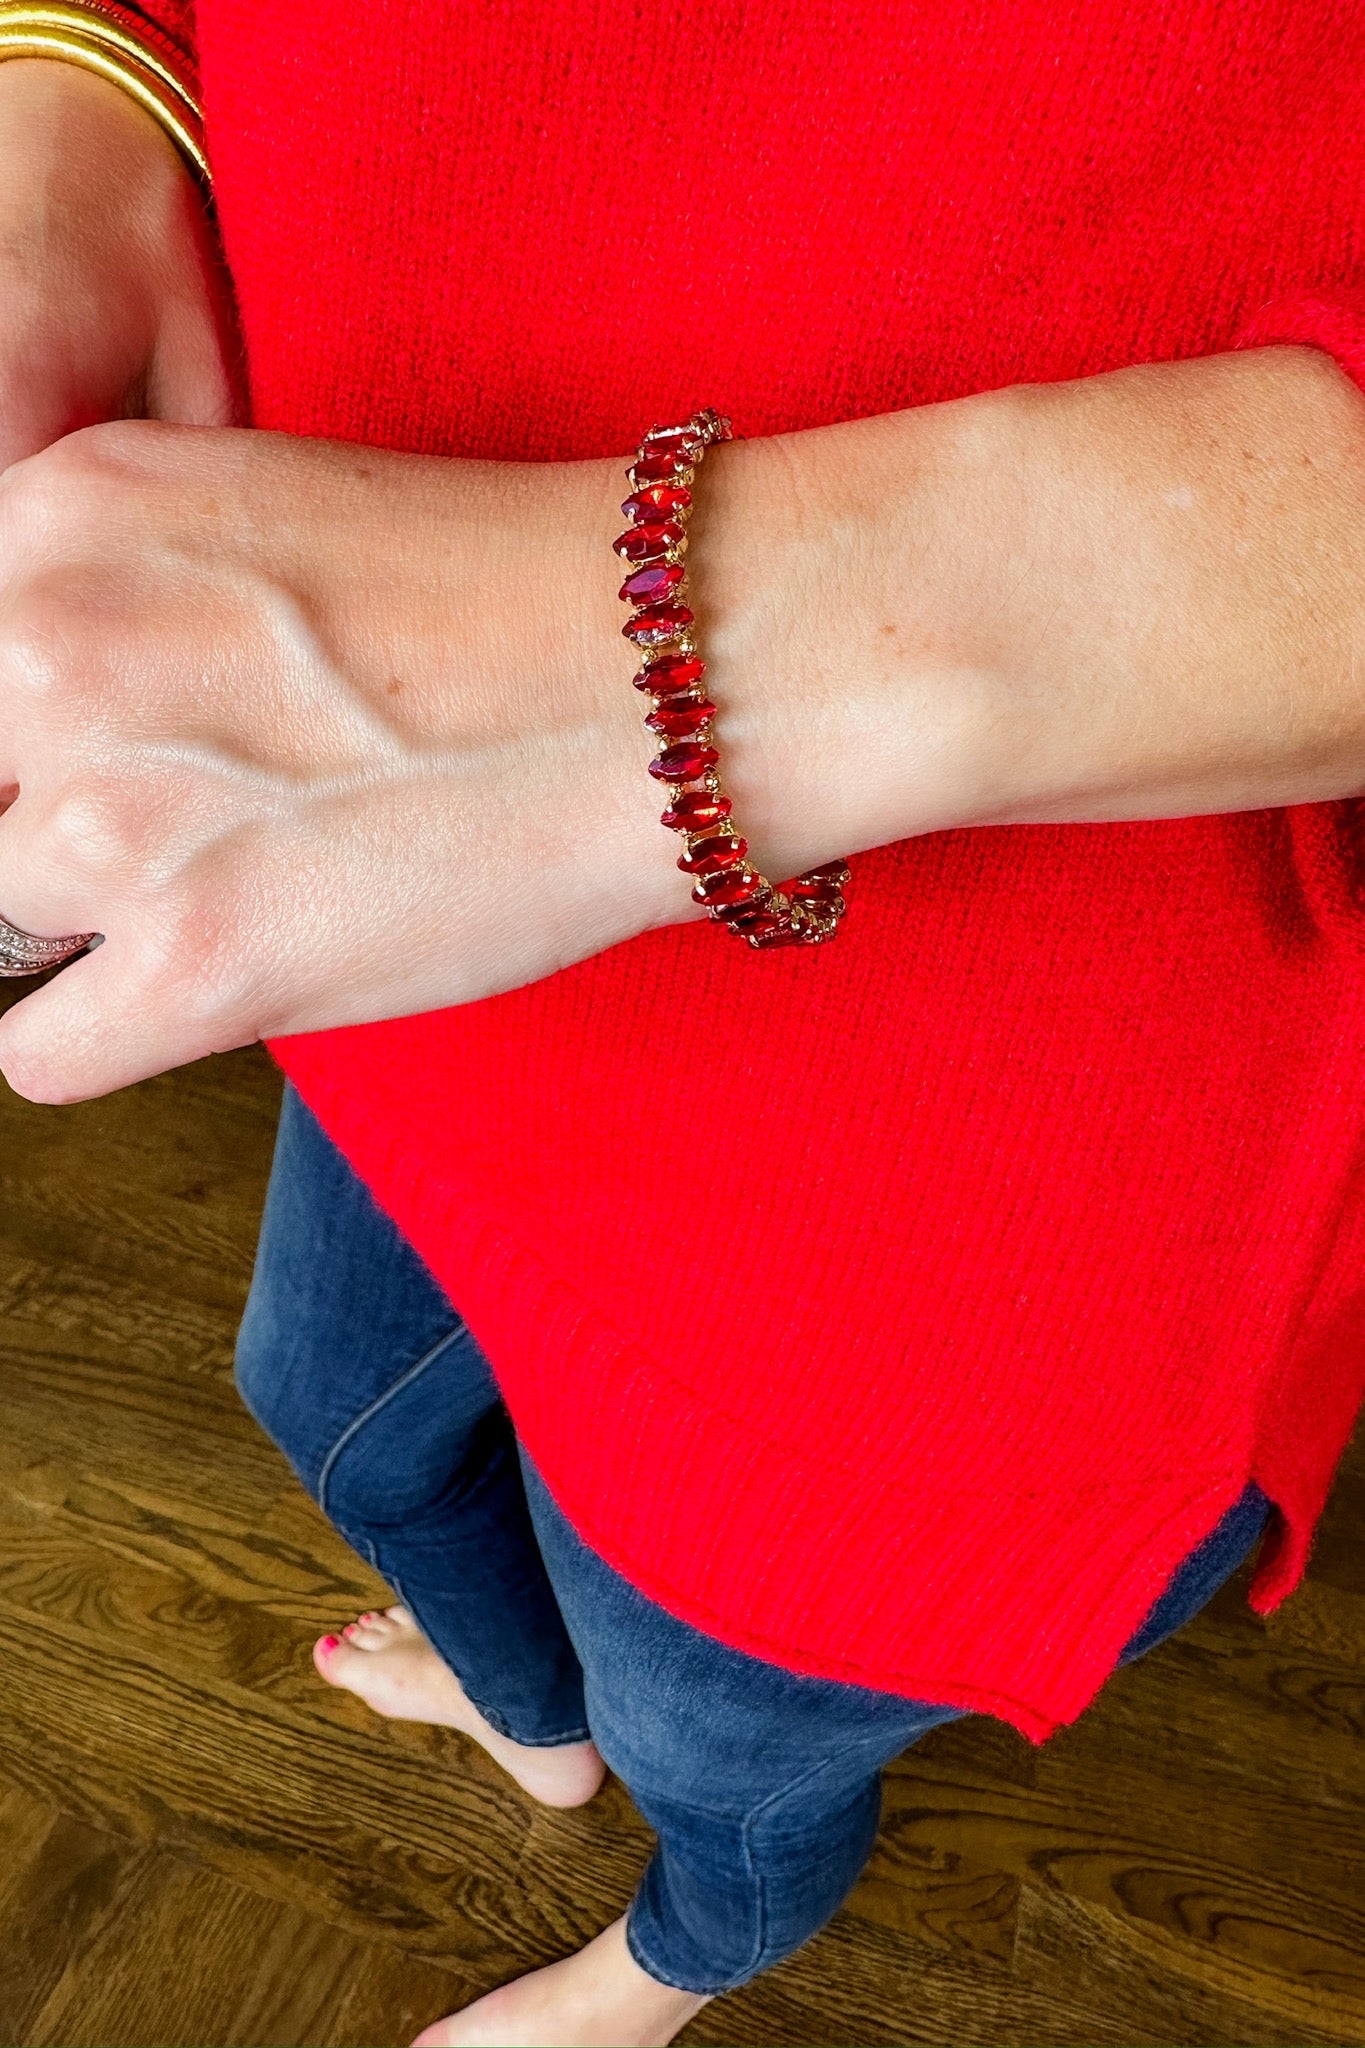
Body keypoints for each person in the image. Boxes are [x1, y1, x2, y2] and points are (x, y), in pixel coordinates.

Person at [1, 3, 1364, 2042]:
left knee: (720, 1740)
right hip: (364, 896)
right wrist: (90, 94)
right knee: (330, 1408)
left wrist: (653, 648)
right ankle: (526, 1711)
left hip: (978, 1205)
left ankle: (675, 1955)